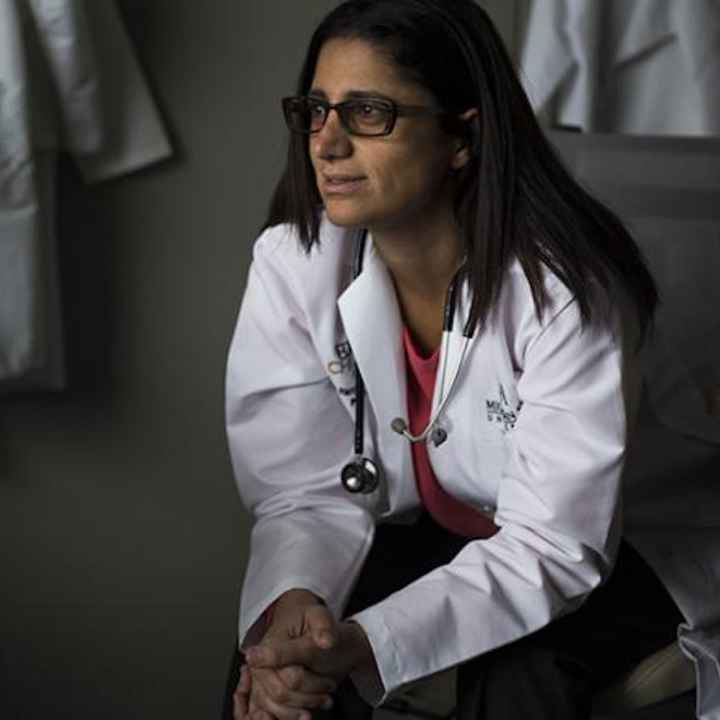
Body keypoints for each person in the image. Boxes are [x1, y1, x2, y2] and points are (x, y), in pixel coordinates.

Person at [222, 1, 685, 719]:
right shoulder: (296, 262)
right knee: (274, 662)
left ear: (461, 138)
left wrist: (366, 642)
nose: (327, 142)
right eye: (315, 109)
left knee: (518, 680)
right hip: (437, 532)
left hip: (610, 552)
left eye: (368, 112)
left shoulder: (566, 292)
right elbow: (302, 490)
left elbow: (555, 544)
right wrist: (297, 613)